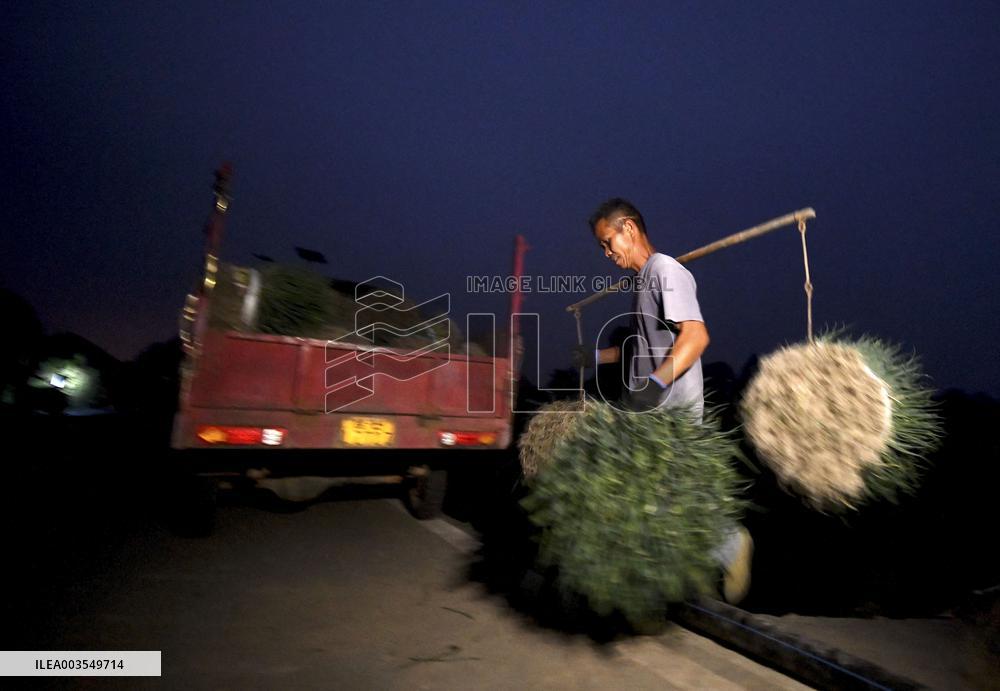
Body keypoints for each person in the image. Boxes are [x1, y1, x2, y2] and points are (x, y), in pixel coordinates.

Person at [581, 197, 753, 604]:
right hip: (649, 409)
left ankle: (729, 545)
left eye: (608, 242)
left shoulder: (666, 271)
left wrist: (655, 384)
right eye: (602, 248)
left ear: (629, 229)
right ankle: (672, 577)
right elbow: (640, 348)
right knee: (647, 496)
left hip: (672, 411)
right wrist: (592, 358)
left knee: (660, 497)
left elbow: (696, 336)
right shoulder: (643, 283)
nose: (607, 254)